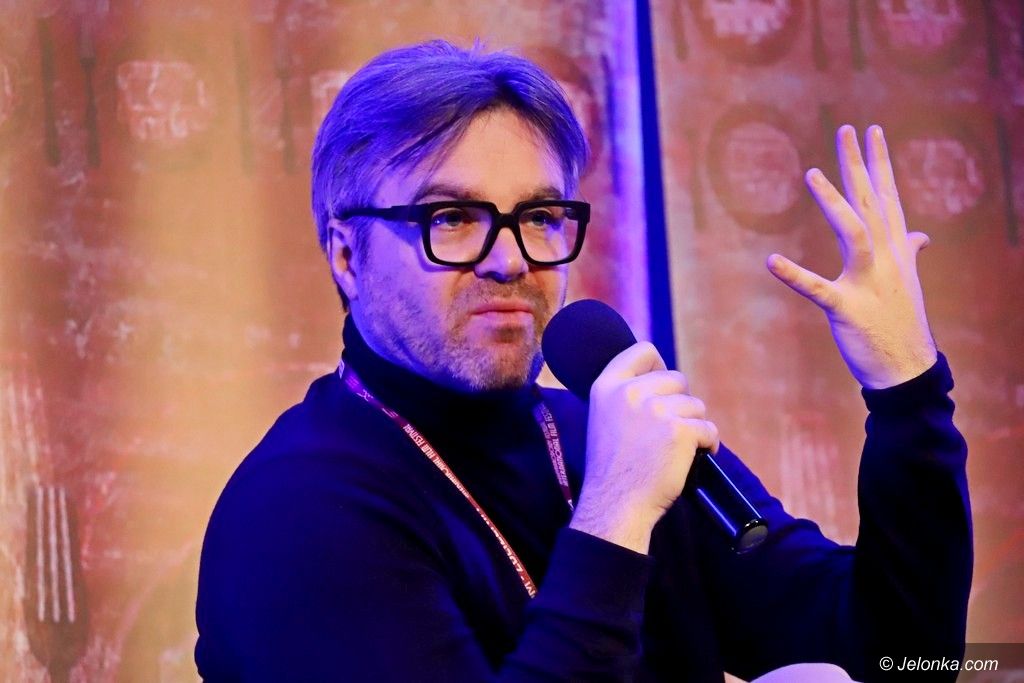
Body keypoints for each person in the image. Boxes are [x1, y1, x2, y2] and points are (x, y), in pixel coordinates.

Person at [194, 40, 971, 682]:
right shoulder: (296, 509)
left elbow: (901, 655)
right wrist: (615, 515)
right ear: (347, 254)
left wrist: (906, 393)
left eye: (538, 216)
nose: (509, 260)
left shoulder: (608, 433)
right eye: (452, 217)